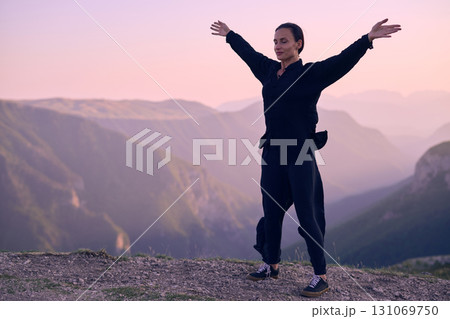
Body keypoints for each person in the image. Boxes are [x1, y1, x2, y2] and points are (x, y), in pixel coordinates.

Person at [211, 19, 401, 297]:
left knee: (307, 215)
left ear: (298, 44)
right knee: (271, 211)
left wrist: (366, 40)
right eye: (275, 41)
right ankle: (271, 264)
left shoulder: (311, 74)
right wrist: (231, 35)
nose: (277, 46)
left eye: (284, 41)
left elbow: (341, 61)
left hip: (301, 152)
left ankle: (320, 275)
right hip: (273, 151)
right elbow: (249, 55)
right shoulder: (268, 71)